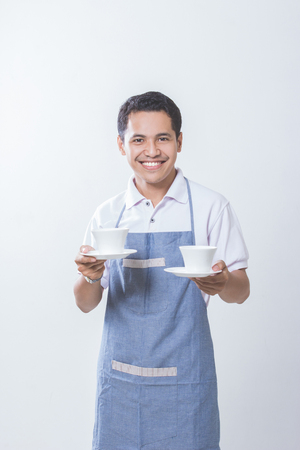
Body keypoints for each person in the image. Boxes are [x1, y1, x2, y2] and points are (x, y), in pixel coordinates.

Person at [74, 91, 250, 450]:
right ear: (122, 145)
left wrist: (221, 282)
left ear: (180, 141)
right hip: (120, 383)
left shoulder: (210, 207)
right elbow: (85, 302)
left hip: (187, 385)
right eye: (138, 139)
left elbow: (241, 291)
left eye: (163, 138)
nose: (151, 151)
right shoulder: (109, 214)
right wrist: (91, 274)